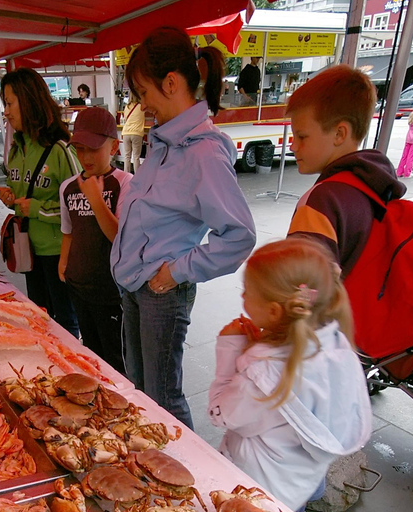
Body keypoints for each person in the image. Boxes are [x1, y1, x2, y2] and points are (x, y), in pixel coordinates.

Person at [111, 26, 257, 428]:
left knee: (164, 398)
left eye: (144, 93)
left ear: (171, 83)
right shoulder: (164, 143)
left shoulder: (204, 151)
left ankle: (183, 479)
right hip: (135, 285)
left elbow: (239, 235)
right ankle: (149, 469)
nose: (142, 105)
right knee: (140, 389)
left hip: (162, 291)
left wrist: (176, 271)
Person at [208, 238, 371, 512]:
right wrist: (264, 342)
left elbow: (221, 414)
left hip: (256, 492)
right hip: (299, 482)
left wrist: (230, 350)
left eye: (246, 292)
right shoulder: (336, 345)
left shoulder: (262, 375)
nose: (242, 297)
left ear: (273, 311)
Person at [285, 64, 405, 278]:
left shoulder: (321, 202)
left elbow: (302, 292)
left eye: (302, 136)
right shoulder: (377, 183)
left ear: (340, 134)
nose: (293, 146)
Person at [0, 67, 80, 337]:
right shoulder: (18, 148)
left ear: (28, 100)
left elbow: (80, 207)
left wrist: (39, 209)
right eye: (4, 104)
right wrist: (12, 200)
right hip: (29, 251)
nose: (6, 111)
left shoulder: (60, 149)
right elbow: (23, 198)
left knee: (66, 322)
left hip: (59, 253)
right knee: (40, 316)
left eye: (9, 103)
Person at [58, 107, 132, 375]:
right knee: (89, 352)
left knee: (115, 358)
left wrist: (96, 200)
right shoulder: (68, 186)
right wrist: (64, 262)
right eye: (79, 149)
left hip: (111, 291)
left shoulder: (125, 183)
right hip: (79, 285)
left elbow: (119, 236)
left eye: (93, 149)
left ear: (113, 147)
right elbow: (69, 230)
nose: (85, 157)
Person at [121, 93, 145, 173]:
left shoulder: (126, 107)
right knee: (136, 157)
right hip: (136, 133)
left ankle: (126, 176)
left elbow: (125, 118)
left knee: (127, 156)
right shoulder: (142, 106)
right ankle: (137, 177)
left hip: (126, 133)